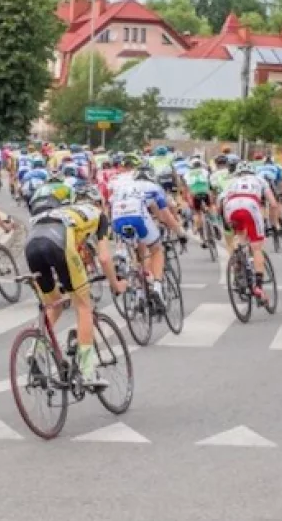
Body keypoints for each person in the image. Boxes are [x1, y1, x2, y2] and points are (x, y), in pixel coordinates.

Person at [25, 190, 119, 388]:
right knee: (84, 306)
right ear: (99, 204)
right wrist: (115, 284)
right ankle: (87, 371)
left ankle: (35, 348)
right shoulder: (99, 215)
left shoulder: (64, 212)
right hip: (57, 243)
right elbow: (103, 258)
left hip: (32, 243)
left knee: (53, 305)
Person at [109, 165, 182, 305]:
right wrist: (180, 233)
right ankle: (157, 287)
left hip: (117, 218)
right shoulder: (153, 187)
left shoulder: (124, 186)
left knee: (138, 255)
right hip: (138, 217)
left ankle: (139, 291)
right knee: (156, 249)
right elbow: (165, 216)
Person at [219, 162, 277, 302]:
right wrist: (273, 225)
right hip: (250, 205)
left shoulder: (231, 182)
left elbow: (219, 202)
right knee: (257, 247)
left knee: (240, 238)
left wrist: (226, 224)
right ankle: (258, 286)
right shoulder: (260, 180)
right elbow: (273, 204)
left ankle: (238, 267)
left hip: (230, 207)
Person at [255, 153, 282, 237]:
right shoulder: (277, 166)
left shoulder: (258, 167)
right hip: (272, 184)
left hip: (260, 184)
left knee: (262, 205)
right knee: (274, 204)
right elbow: (280, 179)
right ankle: (277, 225)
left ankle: (264, 222)